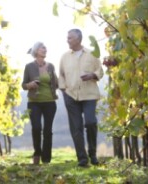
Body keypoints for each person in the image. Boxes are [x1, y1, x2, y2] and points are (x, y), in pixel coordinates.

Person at [59, 29, 104, 167]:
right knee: (76, 128)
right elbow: (61, 75)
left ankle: (93, 153)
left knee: (90, 122)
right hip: (71, 96)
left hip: (89, 94)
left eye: (70, 38)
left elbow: (100, 71)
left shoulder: (92, 54)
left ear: (79, 39)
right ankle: (82, 159)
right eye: (67, 37)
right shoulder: (64, 57)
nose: (67, 40)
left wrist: (92, 75)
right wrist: (64, 92)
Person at [22, 42, 58, 165]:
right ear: (36, 51)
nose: (45, 49)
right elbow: (23, 85)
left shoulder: (51, 66)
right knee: (36, 128)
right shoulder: (29, 67)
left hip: (50, 102)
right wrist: (29, 85)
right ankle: (37, 153)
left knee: (48, 131)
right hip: (34, 103)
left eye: (45, 48)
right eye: (43, 47)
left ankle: (46, 159)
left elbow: (55, 83)